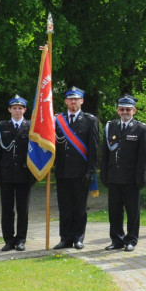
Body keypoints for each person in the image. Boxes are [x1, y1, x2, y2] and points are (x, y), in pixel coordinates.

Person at [101, 95, 146, 252]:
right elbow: (105, 153)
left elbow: (143, 156)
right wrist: (104, 173)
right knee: (114, 211)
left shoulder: (141, 129)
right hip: (114, 177)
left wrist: (141, 177)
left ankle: (131, 240)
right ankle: (117, 240)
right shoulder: (111, 127)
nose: (125, 112)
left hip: (131, 179)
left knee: (132, 212)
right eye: (122, 109)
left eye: (128, 109)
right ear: (118, 110)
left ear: (134, 110)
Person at [53, 87, 98, 250]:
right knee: (64, 207)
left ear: (82, 101)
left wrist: (91, 170)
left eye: (76, 99)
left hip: (81, 172)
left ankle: (78, 238)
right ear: (66, 101)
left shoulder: (90, 120)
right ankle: (65, 238)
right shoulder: (57, 120)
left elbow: (93, 147)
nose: (73, 101)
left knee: (80, 208)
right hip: (62, 171)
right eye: (70, 99)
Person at [0, 94, 34, 251]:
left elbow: (35, 153)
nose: (17, 111)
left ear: (25, 110)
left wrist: (34, 174)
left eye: (20, 108)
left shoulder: (31, 127)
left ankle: (21, 239)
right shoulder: (2, 127)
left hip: (25, 174)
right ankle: (9, 240)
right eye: (14, 108)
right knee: (7, 209)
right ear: (9, 110)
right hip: (7, 174)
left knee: (23, 210)